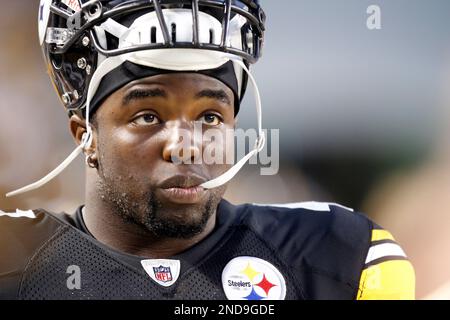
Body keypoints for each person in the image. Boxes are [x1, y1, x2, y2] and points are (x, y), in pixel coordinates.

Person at [0, 0, 414, 300]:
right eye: (148, 115)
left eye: (211, 117)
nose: (186, 145)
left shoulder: (331, 256)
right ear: (84, 134)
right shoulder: (19, 263)